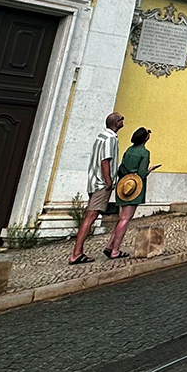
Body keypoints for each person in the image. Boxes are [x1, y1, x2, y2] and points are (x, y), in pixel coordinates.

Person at [68, 111, 125, 264]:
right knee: (91, 216)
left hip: (94, 180)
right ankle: (76, 253)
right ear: (116, 123)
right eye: (121, 119)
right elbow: (105, 161)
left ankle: (78, 252)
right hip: (101, 183)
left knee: (90, 216)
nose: (123, 121)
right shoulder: (110, 139)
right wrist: (108, 182)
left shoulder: (101, 136)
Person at [104, 127, 153, 259]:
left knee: (121, 218)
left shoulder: (129, 150)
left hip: (123, 186)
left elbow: (121, 168)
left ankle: (109, 246)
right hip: (134, 188)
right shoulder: (145, 153)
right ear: (145, 138)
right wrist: (149, 170)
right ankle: (115, 250)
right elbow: (142, 173)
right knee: (125, 219)